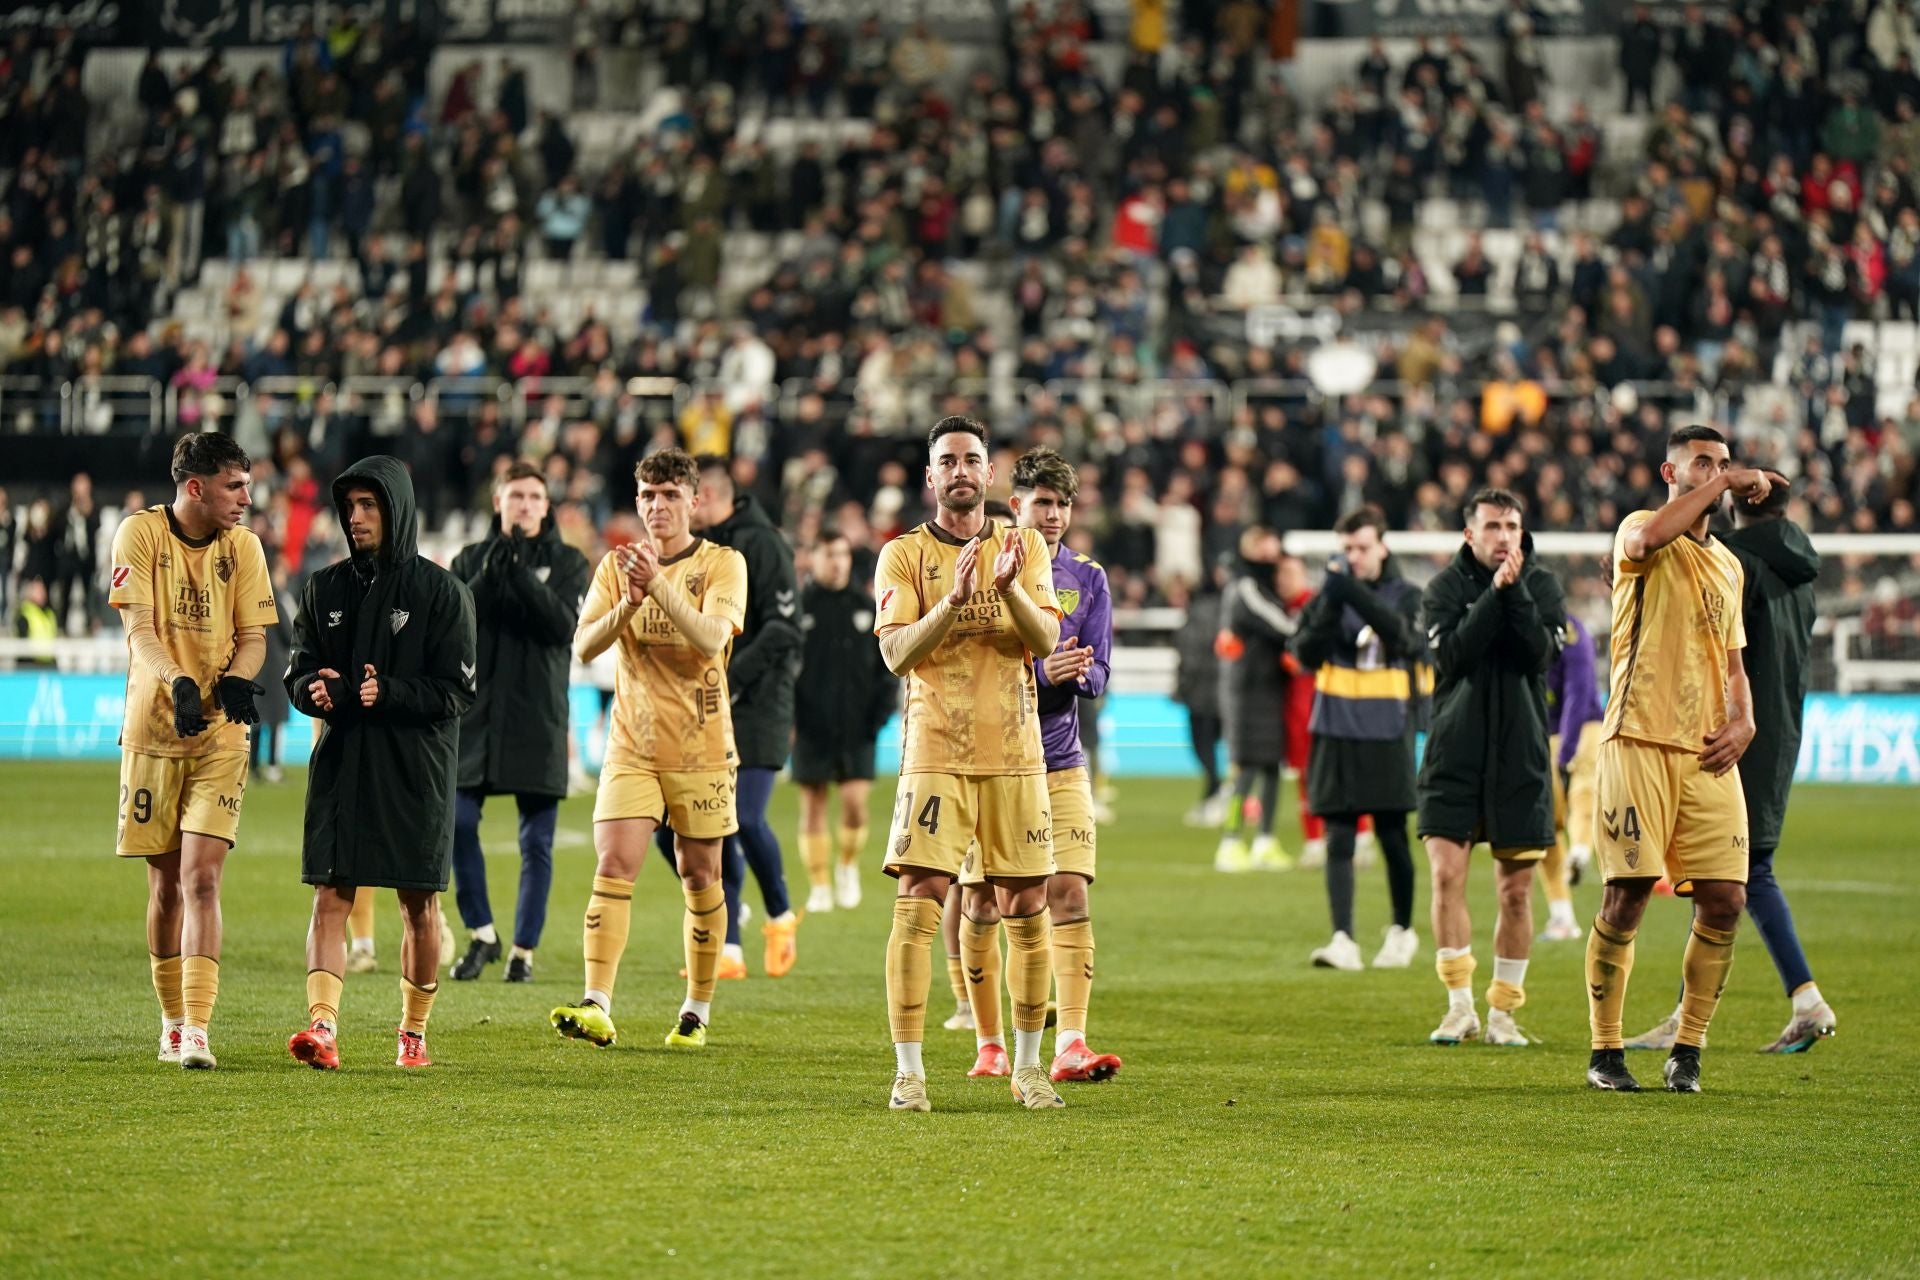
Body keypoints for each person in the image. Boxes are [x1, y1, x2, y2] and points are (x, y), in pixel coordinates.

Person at [874, 417, 1065, 1113]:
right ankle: (910, 1072)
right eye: (947, 460)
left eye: (972, 459)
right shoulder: (902, 556)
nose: (960, 469)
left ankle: (1029, 1069)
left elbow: (1044, 640)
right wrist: (952, 602)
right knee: (919, 904)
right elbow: (897, 654)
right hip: (935, 755)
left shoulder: (1027, 546)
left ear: (988, 474)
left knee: (1026, 907)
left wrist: (1009, 587)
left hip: (1015, 755)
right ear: (930, 477)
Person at [1625, 471, 1837, 1055]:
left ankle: (1801, 999)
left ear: (1740, 501)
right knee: (1734, 873)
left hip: (1727, 734)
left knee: (1733, 873)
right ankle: (1780, 1002)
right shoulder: (1804, 567)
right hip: (1781, 728)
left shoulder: (1732, 561)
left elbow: (1714, 647)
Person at [1584, 426, 1768, 1094]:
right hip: (1637, 737)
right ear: (1672, 470)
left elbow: (1733, 661)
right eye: (1703, 463)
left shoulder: (1730, 564)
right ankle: (1606, 1050)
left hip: (1708, 751)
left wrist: (1745, 719)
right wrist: (1725, 484)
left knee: (1727, 898)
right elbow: (1649, 540)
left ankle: (1687, 1048)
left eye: (1722, 462)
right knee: (1627, 895)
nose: (1717, 472)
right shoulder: (1639, 527)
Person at [548, 448, 747, 1051]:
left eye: (668, 495)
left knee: (700, 873)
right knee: (613, 864)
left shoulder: (723, 563)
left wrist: (656, 585)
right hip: (632, 744)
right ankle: (597, 1001)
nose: (657, 507)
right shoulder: (616, 567)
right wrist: (630, 601)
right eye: (647, 496)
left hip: (703, 747)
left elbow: (711, 638)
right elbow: (584, 647)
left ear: (694, 500)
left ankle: (696, 1008)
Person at [285, 456, 477, 1071]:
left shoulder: (443, 593)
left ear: (397, 510)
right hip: (343, 764)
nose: (356, 517)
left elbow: (457, 690)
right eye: (350, 507)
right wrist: (312, 688)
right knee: (330, 895)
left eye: (370, 506)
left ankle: (413, 1034)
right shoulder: (324, 587)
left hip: (413, 770)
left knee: (418, 905)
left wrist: (386, 691)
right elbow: (298, 668)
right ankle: (322, 1026)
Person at [950, 448, 1122, 1086]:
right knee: (983, 902)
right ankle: (989, 1041)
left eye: (1064, 504)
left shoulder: (1089, 578)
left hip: (1058, 759)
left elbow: (1100, 672)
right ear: (1014, 503)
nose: (1054, 516)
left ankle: (1071, 1043)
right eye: (1042, 502)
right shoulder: (977, 560)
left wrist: (1076, 676)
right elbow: (966, 667)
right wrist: (1037, 673)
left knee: (1070, 892)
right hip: (987, 763)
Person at [107, 432, 279, 1070]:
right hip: (154, 729)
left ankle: (199, 1029)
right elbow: (139, 629)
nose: (246, 497)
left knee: (202, 878)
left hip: (219, 735)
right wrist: (175, 680)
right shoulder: (140, 535)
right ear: (196, 487)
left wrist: (236, 678)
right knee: (165, 888)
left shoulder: (247, 547)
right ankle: (171, 1019)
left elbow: (255, 634)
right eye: (235, 485)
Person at [1415, 489, 1566, 1047]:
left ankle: (1503, 1012)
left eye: (1513, 526)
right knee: (1446, 876)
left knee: (1517, 893)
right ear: (1469, 534)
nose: (1506, 536)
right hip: (1454, 755)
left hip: (1520, 758)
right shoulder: (1443, 590)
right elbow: (1452, 656)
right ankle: (1459, 1008)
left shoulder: (1544, 586)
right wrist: (1494, 596)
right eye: (1494, 526)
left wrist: (1515, 591)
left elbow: (1538, 656)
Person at [447, 460, 590, 983]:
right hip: (477, 719)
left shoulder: (570, 563)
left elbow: (560, 626)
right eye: (515, 497)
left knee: (537, 842)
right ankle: (482, 932)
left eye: (534, 497)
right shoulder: (468, 560)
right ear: (498, 503)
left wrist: (521, 575)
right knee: (458, 823)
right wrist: (493, 571)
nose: (525, 505)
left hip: (538, 719)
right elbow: (457, 622)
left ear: (547, 506)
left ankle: (523, 952)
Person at [682, 456, 803, 978]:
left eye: (688, 495)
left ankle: (779, 913)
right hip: (708, 705)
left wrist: (729, 679)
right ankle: (728, 944)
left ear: (706, 494)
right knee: (694, 830)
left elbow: (783, 629)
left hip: (759, 704)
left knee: (745, 819)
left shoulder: (763, 544)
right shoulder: (699, 553)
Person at [1290, 505, 1426, 972]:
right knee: (1339, 838)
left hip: (1388, 727)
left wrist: (1347, 592)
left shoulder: (1407, 594)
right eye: (1347, 548)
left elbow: (1405, 638)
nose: (1354, 556)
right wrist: (1332, 599)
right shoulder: (1328, 595)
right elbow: (1303, 652)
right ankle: (1343, 938)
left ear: (1382, 547)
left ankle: (1402, 930)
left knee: (1392, 837)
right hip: (1334, 727)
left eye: (1363, 547)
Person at [793, 528, 897, 914]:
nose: (837, 562)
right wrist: (792, 719)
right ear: (813, 558)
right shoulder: (799, 609)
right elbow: (786, 670)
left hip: (858, 726)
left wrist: (879, 716)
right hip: (811, 726)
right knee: (813, 807)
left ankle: (847, 867)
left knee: (855, 804)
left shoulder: (867, 607)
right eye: (828, 554)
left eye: (842, 555)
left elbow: (887, 668)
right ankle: (819, 884)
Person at [1214, 529, 1301, 872]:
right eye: (1266, 546)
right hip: (1247, 690)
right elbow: (1276, 624)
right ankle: (1231, 840)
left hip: (1269, 688)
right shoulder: (1245, 586)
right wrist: (1303, 631)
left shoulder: (1261, 585)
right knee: (1247, 768)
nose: (1272, 552)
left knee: (1271, 766)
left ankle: (1265, 839)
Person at [1540, 615, 1603, 941]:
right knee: (1584, 789)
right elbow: (1581, 687)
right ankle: (1580, 849)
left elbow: (1577, 693)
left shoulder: (1564, 628)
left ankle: (1562, 917)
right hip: (1572, 725)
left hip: (1565, 728)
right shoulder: (1571, 627)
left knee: (1544, 824)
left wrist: (1565, 750)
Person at [1169, 572, 1225, 827]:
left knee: (1202, 746)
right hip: (1221, 691)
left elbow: (1190, 656)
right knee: (1211, 747)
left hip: (1202, 693)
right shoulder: (1218, 610)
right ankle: (1215, 792)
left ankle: (1217, 791)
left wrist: (1182, 688)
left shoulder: (1197, 615)